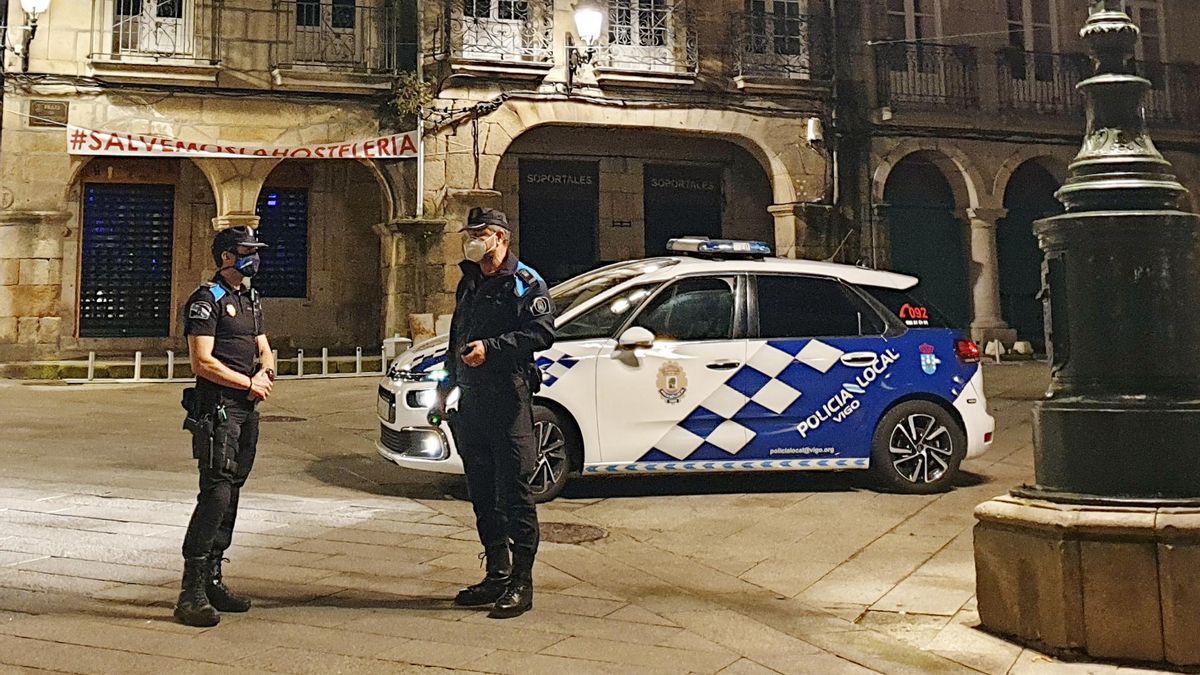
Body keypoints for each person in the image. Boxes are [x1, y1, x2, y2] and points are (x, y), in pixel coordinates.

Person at [431, 207, 555, 619]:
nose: (472, 239)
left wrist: (493, 348)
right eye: (470, 233)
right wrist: (447, 384)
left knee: (514, 495)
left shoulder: (525, 283)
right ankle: (497, 575)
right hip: (472, 401)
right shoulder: (470, 281)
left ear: (500, 237)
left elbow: (542, 333)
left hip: (508, 399)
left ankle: (522, 584)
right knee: (482, 492)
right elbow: (458, 337)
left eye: (480, 233)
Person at [175, 226, 275, 627]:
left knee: (233, 491)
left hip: (247, 408)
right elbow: (201, 361)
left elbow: (262, 344)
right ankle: (190, 591)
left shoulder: (249, 297)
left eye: (256, 250)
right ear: (226, 257)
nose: (255, 257)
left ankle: (214, 577)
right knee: (215, 492)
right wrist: (248, 383)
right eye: (247, 251)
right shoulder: (207, 300)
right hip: (218, 409)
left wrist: (266, 371)